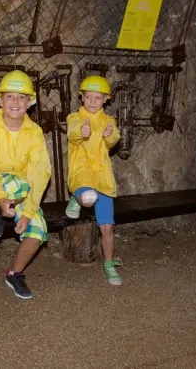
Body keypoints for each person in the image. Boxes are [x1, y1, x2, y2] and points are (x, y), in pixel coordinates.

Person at [0, 70, 51, 299]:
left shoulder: (34, 132)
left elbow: (40, 172)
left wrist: (29, 212)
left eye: (22, 97)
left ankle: (14, 273)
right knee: (18, 183)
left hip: (21, 191)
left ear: (30, 102)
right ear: (0, 99)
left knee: (39, 229)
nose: (15, 102)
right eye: (10, 96)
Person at [65, 75, 122, 285]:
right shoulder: (75, 118)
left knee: (107, 228)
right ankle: (76, 197)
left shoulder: (109, 121)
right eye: (88, 97)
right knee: (88, 197)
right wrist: (82, 131)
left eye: (97, 98)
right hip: (82, 175)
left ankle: (109, 264)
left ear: (105, 99)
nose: (92, 102)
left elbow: (113, 139)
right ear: (82, 97)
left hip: (103, 179)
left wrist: (110, 134)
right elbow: (72, 134)